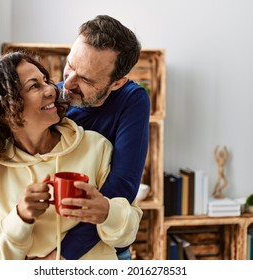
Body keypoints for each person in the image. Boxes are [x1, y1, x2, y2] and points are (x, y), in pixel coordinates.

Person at [0, 51, 142, 260]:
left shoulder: (95, 146)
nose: (51, 89)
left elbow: (127, 233)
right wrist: (20, 217)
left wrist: (107, 212)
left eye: (44, 80)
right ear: (6, 106)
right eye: (35, 86)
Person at [58, 15, 151, 260]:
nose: (67, 83)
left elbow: (121, 187)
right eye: (70, 65)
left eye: (86, 79)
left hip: (104, 249)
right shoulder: (50, 97)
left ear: (117, 82)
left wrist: (63, 257)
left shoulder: (132, 100)